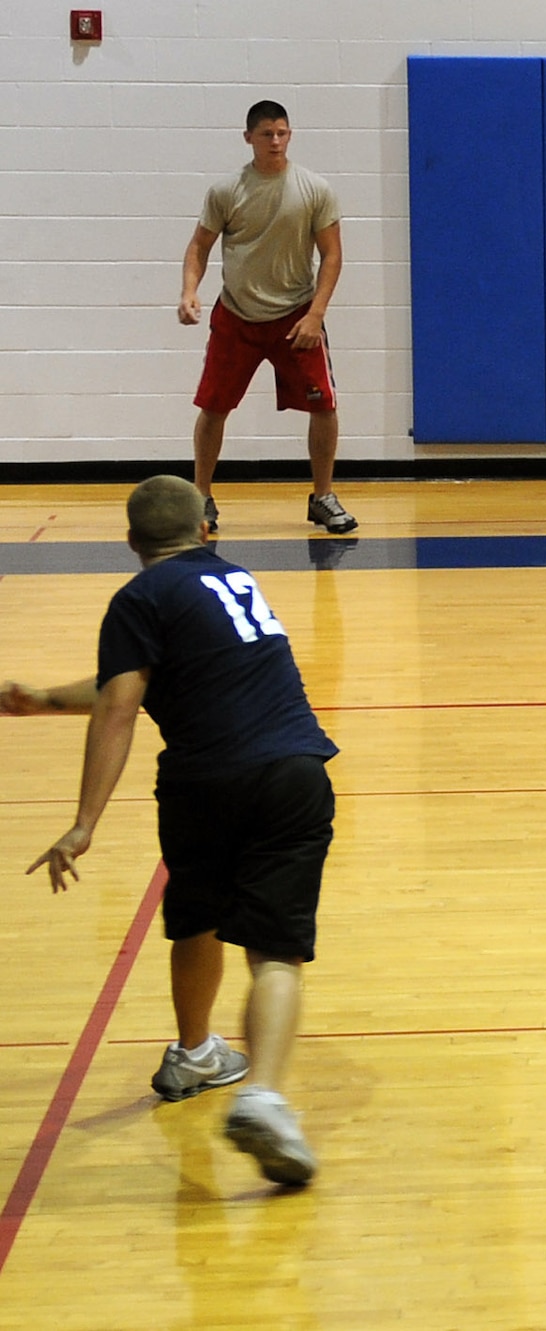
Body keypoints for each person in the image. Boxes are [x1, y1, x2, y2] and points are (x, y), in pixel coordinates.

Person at [8, 476, 338, 1185]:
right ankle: (263, 1096)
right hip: (292, 770)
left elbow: (123, 705)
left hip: (202, 781)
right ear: (206, 530)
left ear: (132, 542)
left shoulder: (138, 598)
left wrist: (83, 822)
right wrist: (42, 699)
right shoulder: (235, 580)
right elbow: (143, 683)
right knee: (275, 953)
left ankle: (195, 1050)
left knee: (196, 920)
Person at [179, 100, 358, 535]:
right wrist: (189, 291)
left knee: (324, 406)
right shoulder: (227, 191)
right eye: (266, 134)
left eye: (281, 133)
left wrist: (316, 314)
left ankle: (323, 497)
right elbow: (199, 246)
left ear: (290, 135)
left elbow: (332, 255)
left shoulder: (314, 189)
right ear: (249, 139)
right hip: (237, 316)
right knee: (213, 406)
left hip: (296, 318)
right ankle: (201, 497)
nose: (275, 141)